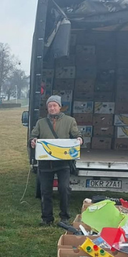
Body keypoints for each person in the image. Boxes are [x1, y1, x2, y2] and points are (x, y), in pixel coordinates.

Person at [30, 95, 82, 226]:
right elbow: (33, 136)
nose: (52, 108)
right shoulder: (40, 123)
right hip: (45, 163)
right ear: (47, 108)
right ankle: (47, 218)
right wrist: (33, 141)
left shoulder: (70, 121)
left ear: (59, 107)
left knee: (64, 189)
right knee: (45, 191)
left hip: (63, 163)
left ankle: (64, 217)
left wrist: (80, 139)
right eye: (49, 106)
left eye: (54, 105)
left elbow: (76, 135)